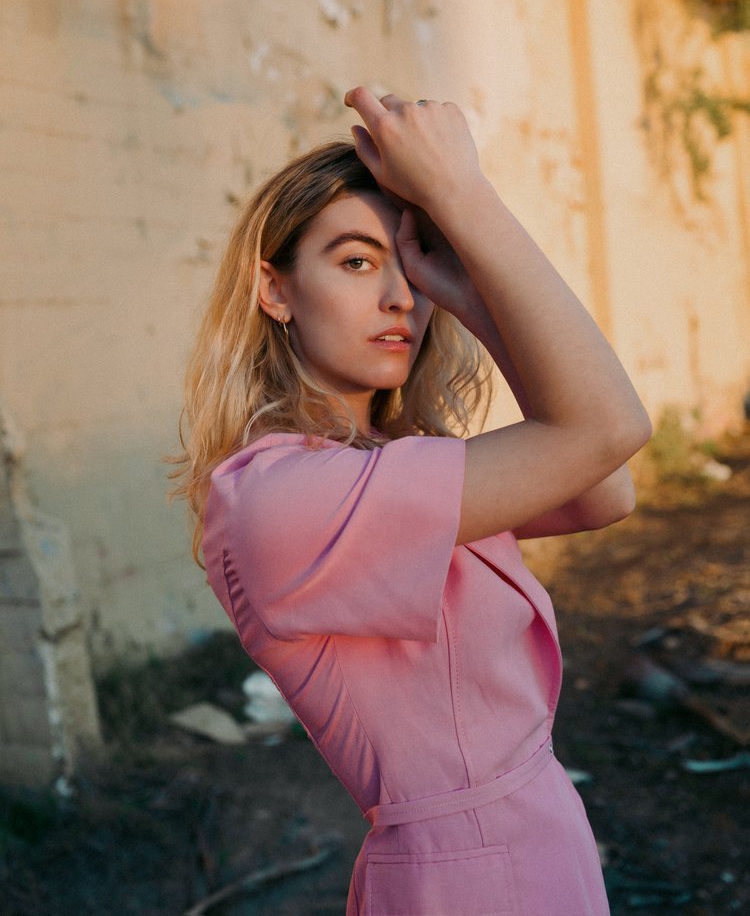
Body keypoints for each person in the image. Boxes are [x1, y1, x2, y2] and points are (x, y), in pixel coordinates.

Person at [172, 89, 652, 915]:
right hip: (470, 877)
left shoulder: (389, 462)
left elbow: (604, 486)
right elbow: (609, 428)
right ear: (275, 289)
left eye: (410, 263)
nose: (401, 296)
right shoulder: (278, 499)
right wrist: (464, 196)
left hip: (539, 840)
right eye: (357, 262)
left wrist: (469, 293)